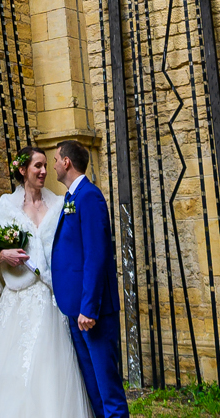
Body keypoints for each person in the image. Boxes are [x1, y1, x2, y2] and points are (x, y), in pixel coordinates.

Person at [0, 144, 92, 418]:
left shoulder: (59, 203)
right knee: (12, 371)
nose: (44, 171)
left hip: (52, 300)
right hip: (19, 300)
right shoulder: (7, 206)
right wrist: (4, 253)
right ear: (23, 170)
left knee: (52, 370)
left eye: (46, 165)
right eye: (38, 166)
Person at [50, 140, 128, 418]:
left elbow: (96, 255)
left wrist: (88, 308)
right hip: (76, 310)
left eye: (57, 159)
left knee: (108, 388)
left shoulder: (89, 197)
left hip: (91, 312)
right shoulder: (72, 198)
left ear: (67, 162)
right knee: (93, 388)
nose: (54, 164)